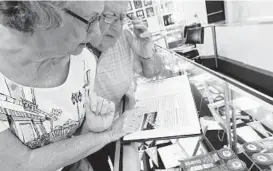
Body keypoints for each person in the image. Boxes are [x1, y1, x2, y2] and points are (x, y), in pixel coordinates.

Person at [0, 1, 145, 171]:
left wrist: (92, 127)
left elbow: (71, 141)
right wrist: (109, 133)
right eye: (91, 20)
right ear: (42, 12)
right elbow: (20, 164)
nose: (97, 34)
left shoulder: (83, 61)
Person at [86, 1, 163, 171]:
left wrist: (147, 51)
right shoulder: (74, 46)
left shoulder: (124, 38)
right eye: (109, 16)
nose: (117, 27)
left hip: (119, 124)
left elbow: (153, 71)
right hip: (81, 138)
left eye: (121, 18)